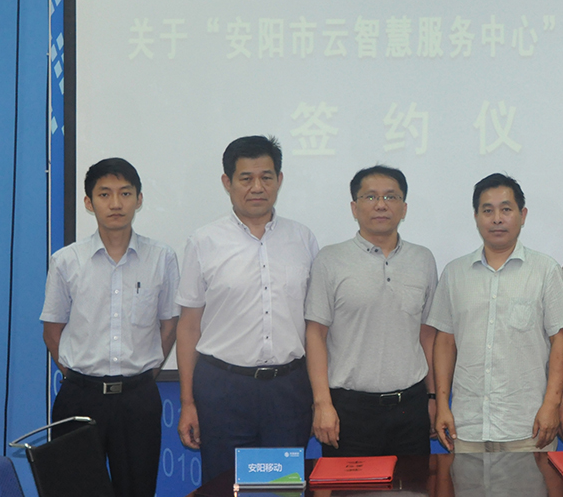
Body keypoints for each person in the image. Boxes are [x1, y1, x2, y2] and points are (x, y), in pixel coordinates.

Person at [175, 136, 319, 483]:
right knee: (224, 485)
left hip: (288, 389)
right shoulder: (204, 241)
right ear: (227, 182)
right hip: (223, 388)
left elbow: (315, 324)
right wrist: (188, 402)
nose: (257, 187)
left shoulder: (302, 239)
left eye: (266, 177)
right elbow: (189, 326)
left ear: (279, 180)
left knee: (282, 487)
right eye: (246, 178)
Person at [40, 158, 179, 497]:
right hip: (79, 397)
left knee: (137, 489)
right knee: (73, 490)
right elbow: (52, 331)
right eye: (104, 194)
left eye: (125, 193)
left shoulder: (161, 258)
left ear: (139, 199)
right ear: (89, 203)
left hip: (138, 399)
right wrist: (82, 377)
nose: (116, 203)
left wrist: (141, 373)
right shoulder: (67, 260)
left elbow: (169, 325)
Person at [428, 173, 563, 453]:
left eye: (506, 209)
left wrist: (552, 403)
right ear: (476, 217)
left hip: (528, 426)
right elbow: (445, 342)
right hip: (467, 426)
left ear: (522, 215)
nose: (497, 219)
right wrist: (443, 405)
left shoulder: (545, 270)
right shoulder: (454, 273)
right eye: (488, 211)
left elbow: (561, 340)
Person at [306, 165, 438, 457]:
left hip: (410, 407)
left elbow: (427, 335)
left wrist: (433, 397)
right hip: (349, 410)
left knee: (414, 482)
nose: (380, 205)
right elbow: (315, 334)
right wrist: (322, 403)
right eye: (370, 197)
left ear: (404, 208)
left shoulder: (423, 259)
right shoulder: (330, 259)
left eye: (391, 197)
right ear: (354, 207)